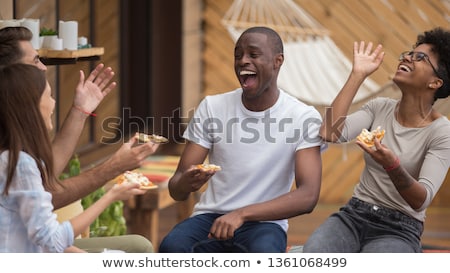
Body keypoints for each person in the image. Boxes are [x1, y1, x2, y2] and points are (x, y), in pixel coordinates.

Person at [159, 26, 323, 253]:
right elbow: (176, 189)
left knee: (263, 255)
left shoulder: (303, 117)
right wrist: (186, 183)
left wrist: (241, 214)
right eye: (238, 55)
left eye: (253, 55)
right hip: (210, 217)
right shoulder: (213, 107)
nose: (243, 61)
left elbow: (308, 196)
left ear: (277, 61)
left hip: (265, 224)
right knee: (172, 247)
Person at [0, 26, 159, 252]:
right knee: (138, 249)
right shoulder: (16, 159)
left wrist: (80, 110)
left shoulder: (15, 144)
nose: (44, 67)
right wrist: (113, 171)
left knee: (137, 246)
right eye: (35, 61)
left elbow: (41, 186)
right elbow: (47, 208)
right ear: (15, 79)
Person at [303, 27, 450, 253]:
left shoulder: (442, 132)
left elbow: (421, 200)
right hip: (353, 216)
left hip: (400, 229)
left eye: (420, 57)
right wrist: (357, 75)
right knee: (314, 255)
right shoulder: (379, 107)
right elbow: (329, 133)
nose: (408, 57)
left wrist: (391, 165)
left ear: (435, 83)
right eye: (409, 53)